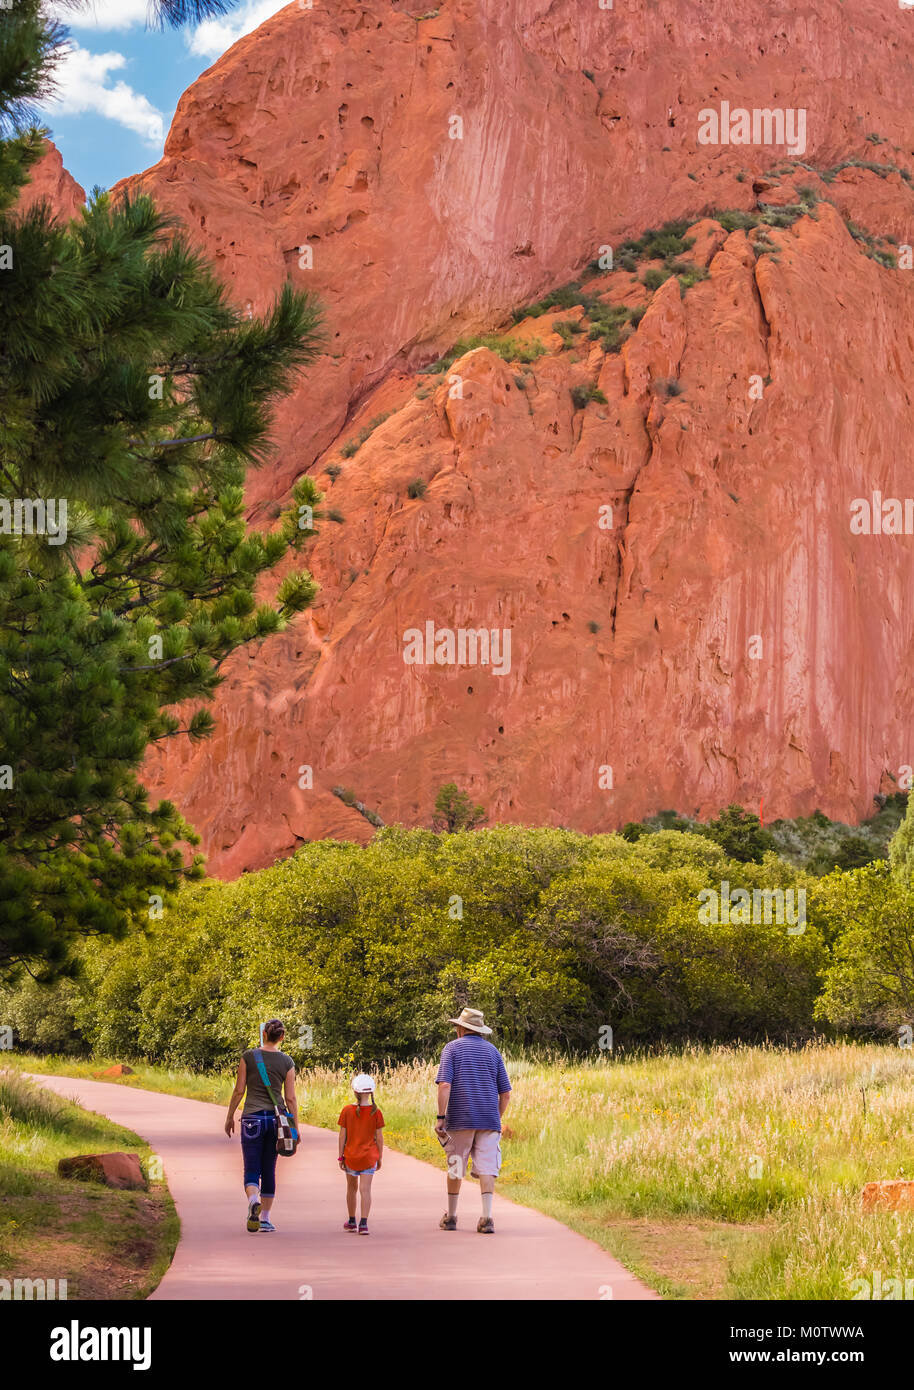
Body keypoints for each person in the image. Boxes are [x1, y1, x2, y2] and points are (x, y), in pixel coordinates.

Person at [434, 1007, 511, 1234]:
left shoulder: (451, 1049)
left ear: (461, 1028)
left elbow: (445, 1085)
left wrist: (440, 1117)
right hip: (488, 1119)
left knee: (457, 1164)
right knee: (487, 1167)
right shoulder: (493, 1052)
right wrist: (495, 1118)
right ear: (479, 1030)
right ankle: (486, 1218)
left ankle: (452, 1216)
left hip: (460, 1118)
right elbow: (505, 1094)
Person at [225, 1019, 300, 1233]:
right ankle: (265, 1219)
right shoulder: (287, 1062)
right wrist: (294, 1128)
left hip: (251, 1119)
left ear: (264, 1034)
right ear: (282, 1037)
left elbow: (239, 1090)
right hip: (276, 1121)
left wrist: (230, 1116)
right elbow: (291, 1098)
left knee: (251, 1168)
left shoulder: (249, 1057)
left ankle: (253, 1200)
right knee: (269, 1169)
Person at [338, 1072, 384, 1234]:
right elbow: (379, 1138)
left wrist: (340, 1155)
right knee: (366, 1190)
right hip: (369, 1156)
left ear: (355, 1091)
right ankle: (363, 1224)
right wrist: (379, 1157)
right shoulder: (376, 1112)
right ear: (371, 1092)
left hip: (351, 1155)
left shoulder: (347, 1111)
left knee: (352, 1188)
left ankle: (352, 1220)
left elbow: (342, 1135)